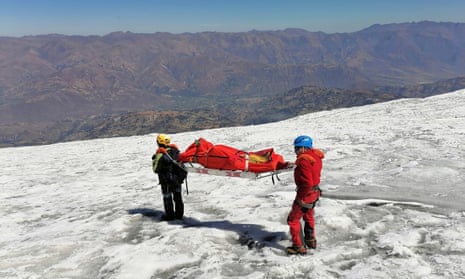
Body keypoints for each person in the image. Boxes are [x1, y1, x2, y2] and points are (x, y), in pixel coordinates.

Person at [286, 135, 324, 255]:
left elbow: (307, 183)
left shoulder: (303, 161)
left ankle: (298, 246)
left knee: (293, 220)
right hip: (315, 192)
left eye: (297, 148)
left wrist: (300, 199)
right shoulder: (315, 156)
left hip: (306, 195)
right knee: (308, 216)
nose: (295, 151)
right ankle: (311, 240)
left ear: (303, 148)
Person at [152, 134, 185, 221]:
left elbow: (155, 169)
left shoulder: (160, 154)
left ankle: (170, 216)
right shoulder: (176, 151)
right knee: (178, 197)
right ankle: (179, 215)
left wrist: (155, 158)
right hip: (177, 179)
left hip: (166, 181)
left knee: (168, 197)